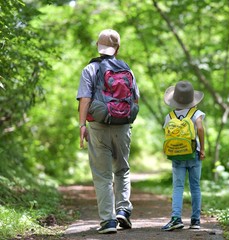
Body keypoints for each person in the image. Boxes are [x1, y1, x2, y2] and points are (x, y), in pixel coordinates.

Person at [76, 29, 140, 234]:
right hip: (122, 126)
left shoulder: (90, 69)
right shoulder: (128, 70)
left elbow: (85, 100)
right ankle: (123, 210)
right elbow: (135, 99)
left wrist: (82, 125)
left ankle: (108, 221)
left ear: (98, 46)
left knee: (103, 175)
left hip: (98, 125)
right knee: (122, 169)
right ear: (117, 48)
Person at [162, 81, 206, 231]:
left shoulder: (170, 116)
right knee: (195, 187)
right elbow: (200, 128)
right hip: (194, 154)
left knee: (178, 187)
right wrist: (203, 149)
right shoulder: (196, 114)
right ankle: (195, 221)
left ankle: (176, 218)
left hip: (177, 155)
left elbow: (167, 135)